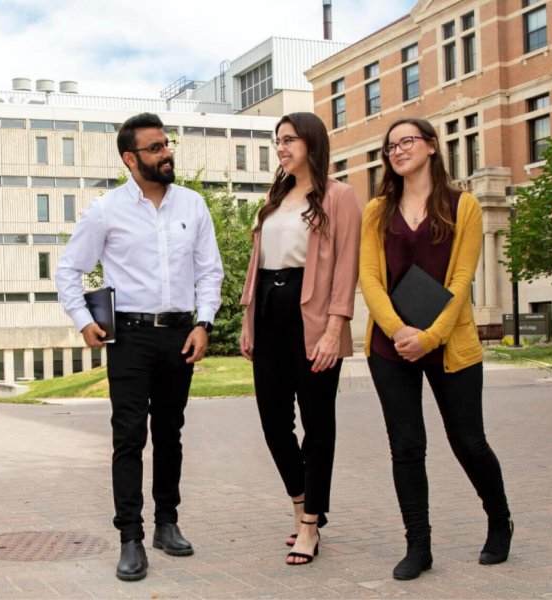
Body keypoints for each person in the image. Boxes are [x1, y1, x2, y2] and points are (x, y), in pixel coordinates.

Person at [56, 112, 224, 582]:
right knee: (129, 437)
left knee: (170, 433)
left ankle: (166, 523)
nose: (166, 153)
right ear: (130, 159)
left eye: (167, 145)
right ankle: (130, 536)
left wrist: (204, 323)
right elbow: (69, 269)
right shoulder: (105, 210)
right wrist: (83, 320)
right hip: (127, 337)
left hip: (179, 335)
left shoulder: (193, 206)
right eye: (154, 148)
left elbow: (210, 270)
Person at [359, 118, 513, 580]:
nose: (398, 150)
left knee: (469, 442)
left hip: (450, 344)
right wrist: (399, 330)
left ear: (430, 146)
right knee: (406, 446)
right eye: (390, 147)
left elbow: (462, 279)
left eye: (407, 141)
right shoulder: (376, 211)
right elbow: (369, 279)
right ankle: (418, 545)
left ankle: (499, 520)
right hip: (389, 347)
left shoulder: (461, 205)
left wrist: (429, 336)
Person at [239, 112, 361, 566]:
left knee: (317, 423)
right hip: (268, 311)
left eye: (289, 139)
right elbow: (259, 265)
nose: (281, 148)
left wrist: (335, 327)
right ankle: (300, 503)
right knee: (273, 421)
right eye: (277, 141)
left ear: (311, 142)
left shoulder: (339, 196)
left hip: (311, 316)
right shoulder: (274, 200)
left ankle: (310, 523)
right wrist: (249, 320)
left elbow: (346, 266)